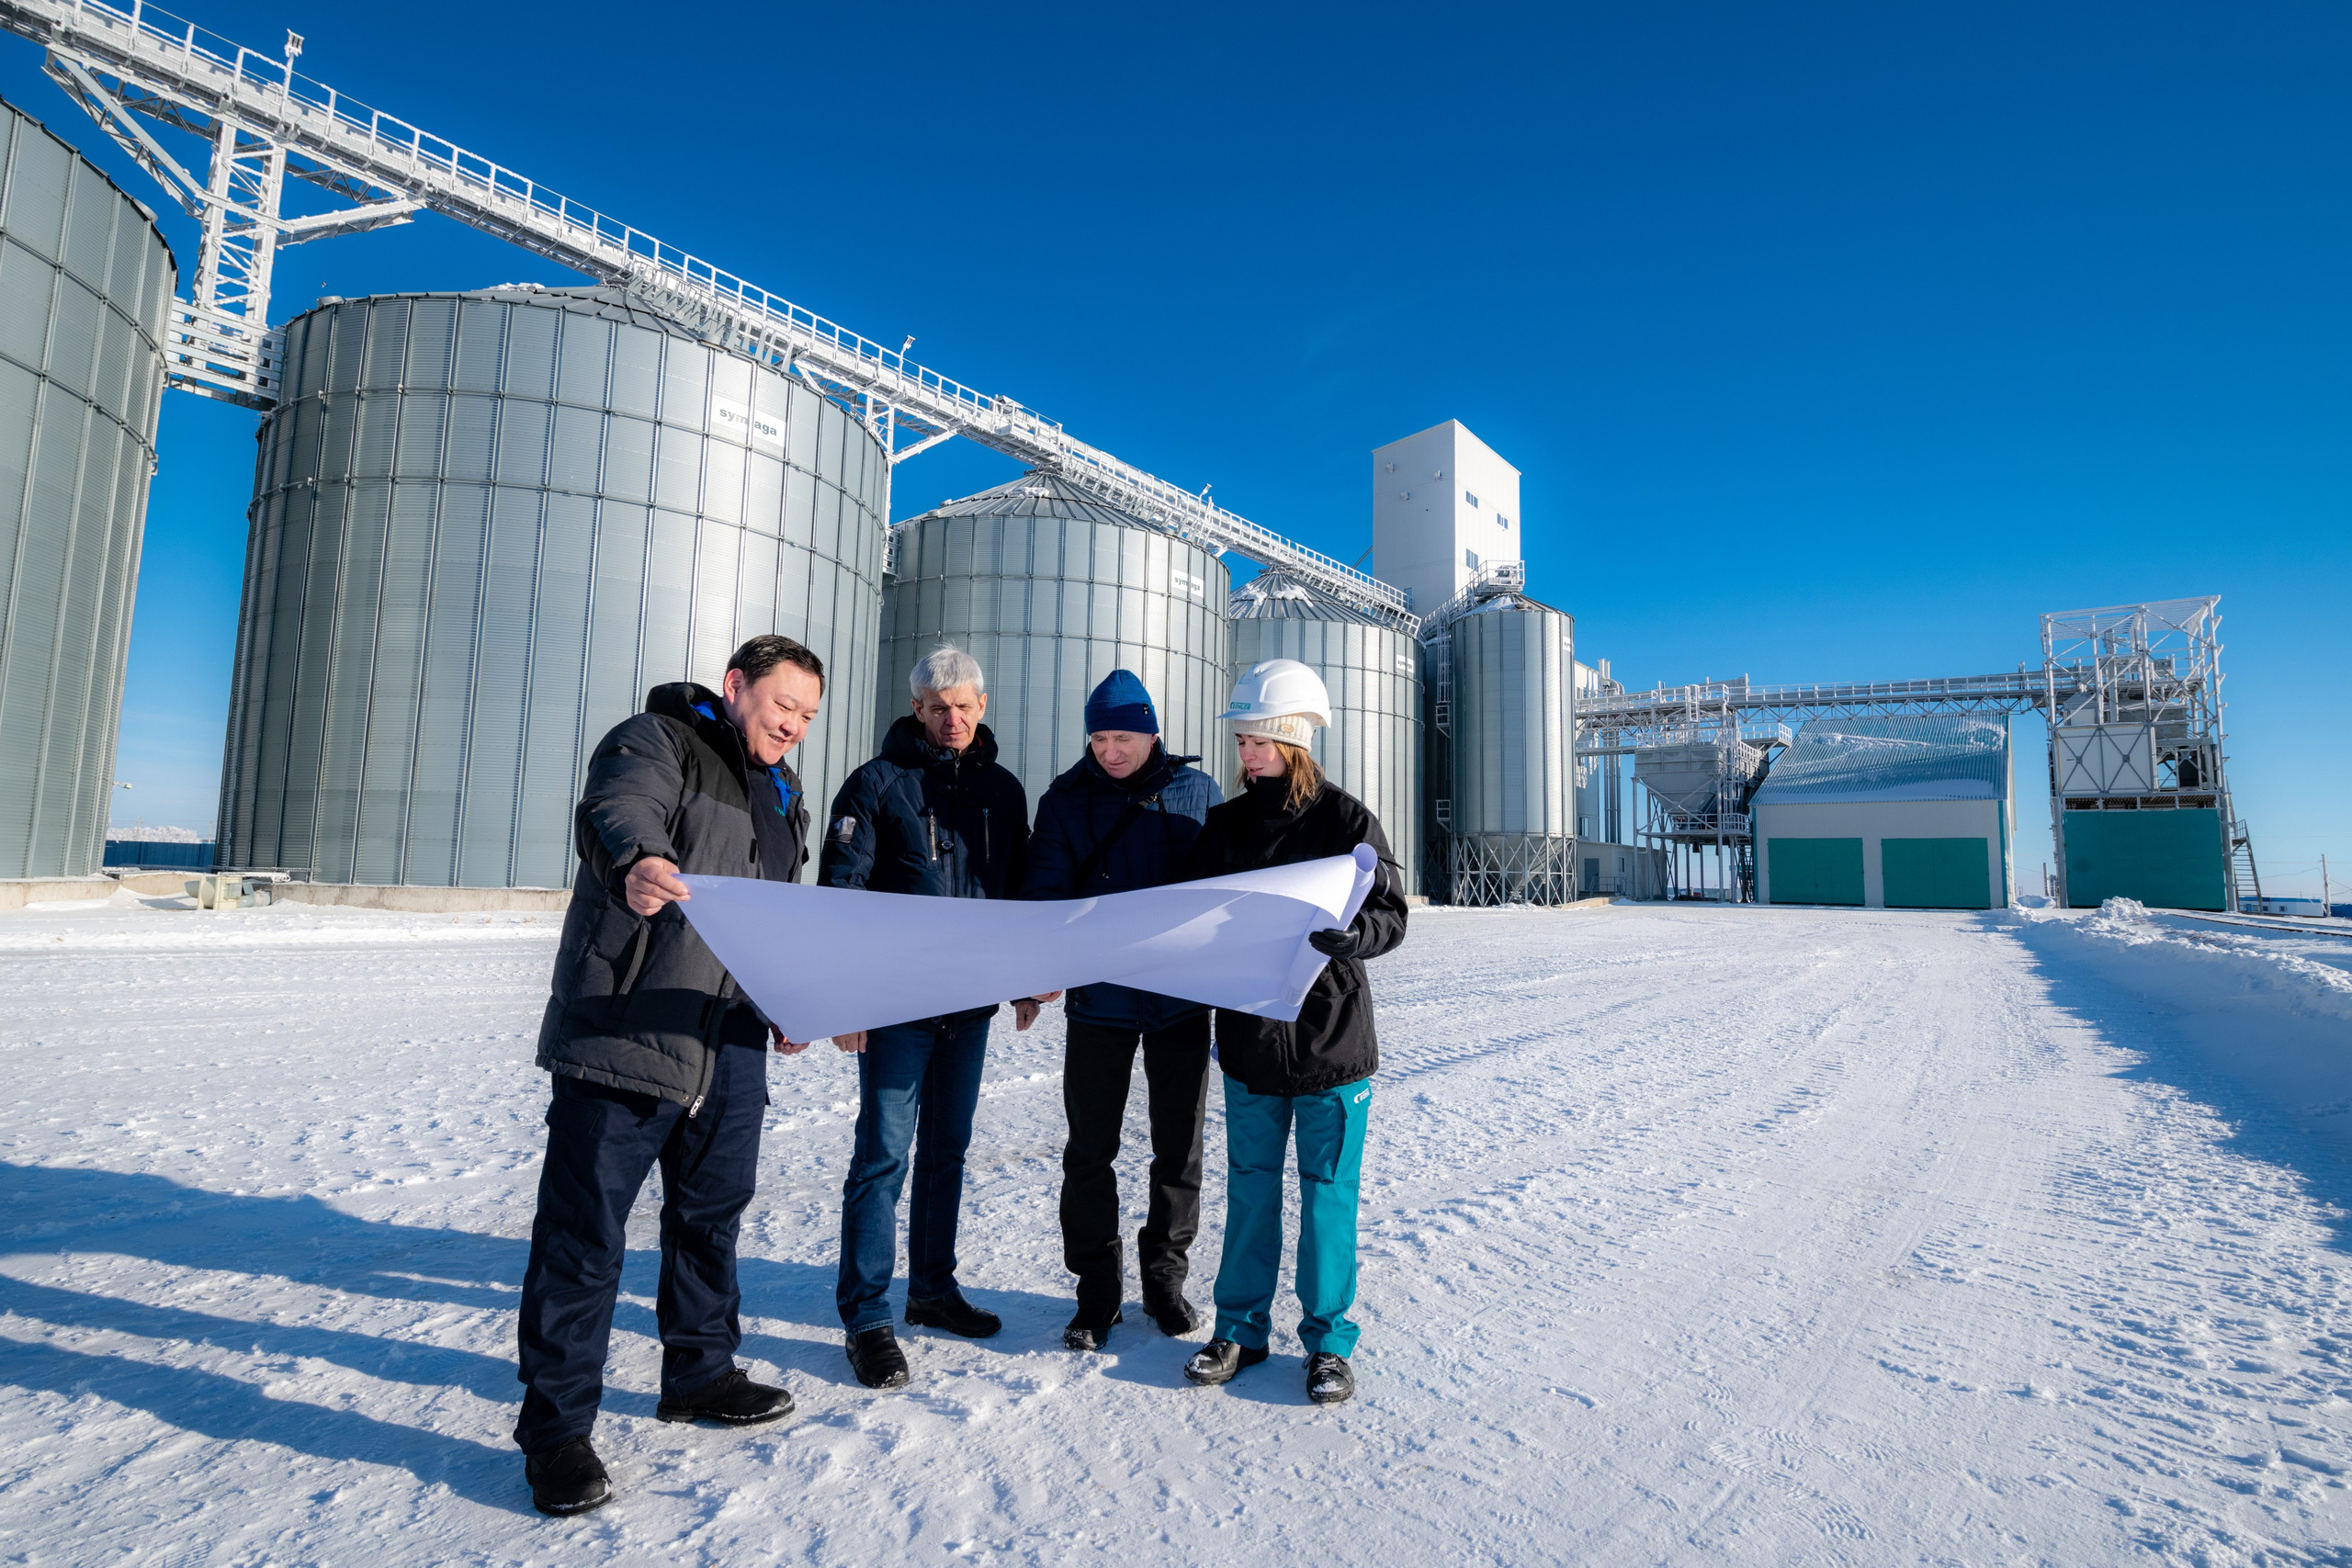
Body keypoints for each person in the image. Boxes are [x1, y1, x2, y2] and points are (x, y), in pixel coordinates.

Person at [515, 634, 826, 1517]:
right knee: (584, 1236)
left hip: (729, 1039)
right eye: (783, 707)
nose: (795, 726)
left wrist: (784, 1001)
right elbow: (618, 809)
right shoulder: (657, 740)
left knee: (712, 1215)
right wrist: (637, 861)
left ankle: (699, 1369)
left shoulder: (784, 792)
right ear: (737, 687)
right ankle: (557, 1431)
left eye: (807, 715)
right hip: (629, 1023)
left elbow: (771, 917)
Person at [1180, 659, 1408, 1406]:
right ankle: (1240, 1329)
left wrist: (1359, 936)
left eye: (1260, 741)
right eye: (1242, 741)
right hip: (1249, 1042)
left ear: (1295, 739)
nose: (1247, 755)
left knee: (1327, 1197)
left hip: (1331, 1044)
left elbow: (1392, 911)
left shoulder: (1347, 821)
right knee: (1248, 1193)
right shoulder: (1225, 825)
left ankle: (1330, 1341)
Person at [820, 644, 1039, 1390]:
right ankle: (868, 1316)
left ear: (982, 708)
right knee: (883, 1156)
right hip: (895, 1006)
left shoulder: (1003, 792)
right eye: (938, 707)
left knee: (948, 1151)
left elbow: (1019, 895)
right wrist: (845, 997)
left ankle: (933, 1289)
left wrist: (1029, 981)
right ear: (917, 709)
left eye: (965, 706)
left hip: (969, 1004)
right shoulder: (877, 784)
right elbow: (840, 895)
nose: (953, 718)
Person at [1022, 670, 1224, 1351]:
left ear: (1153, 732)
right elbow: (1045, 895)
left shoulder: (1198, 795)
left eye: (1125, 737)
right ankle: (1097, 1292)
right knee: (1089, 1151)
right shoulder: (1065, 800)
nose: (1111, 751)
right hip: (1099, 1003)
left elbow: (1226, 893)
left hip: (1180, 1002)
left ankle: (1164, 1282)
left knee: (1178, 1148)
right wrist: (1040, 969)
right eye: (1100, 737)